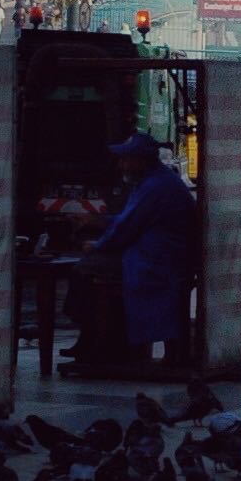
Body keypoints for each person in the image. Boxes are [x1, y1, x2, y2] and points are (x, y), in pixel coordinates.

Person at [79, 133, 200, 363]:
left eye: (126, 159)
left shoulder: (154, 186)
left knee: (84, 270)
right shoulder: (154, 182)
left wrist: (97, 246)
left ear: (141, 160)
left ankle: (99, 344)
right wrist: (100, 225)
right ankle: (98, 341)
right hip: (159, 255)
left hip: (158, 261)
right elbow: (130, 220)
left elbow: (126, 227)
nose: (121, 164)